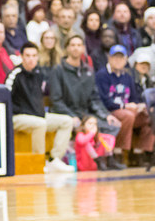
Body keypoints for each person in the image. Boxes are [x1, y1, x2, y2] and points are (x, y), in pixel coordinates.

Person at [48, 36, 123, 169]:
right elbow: (56, 100)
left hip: (86, 115)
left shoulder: (88, 70)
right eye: (72, 45)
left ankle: (108, 158)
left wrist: (105, 115)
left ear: (83, 48)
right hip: (67, 114)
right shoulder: (58, 70)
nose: (76, 48)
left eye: (79, 45)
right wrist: (72, 116)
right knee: (85, 128)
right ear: (67, 48)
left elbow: (94, 98)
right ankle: (96, 160)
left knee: (111, 125)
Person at [6, 42, 75, 173]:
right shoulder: (15, 74)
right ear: (21, 57)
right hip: (17, 117)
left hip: (37, 115)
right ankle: (39, 162)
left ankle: (55, 159)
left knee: (67, 121)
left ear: (37, 57)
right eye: (27, 55)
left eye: (34, 56)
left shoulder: (39, 74)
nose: (31, 59)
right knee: (40, 124)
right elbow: (6, 97)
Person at [95, 45, 154, 167]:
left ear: (126, 60)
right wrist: (124, 106)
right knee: (128, 116)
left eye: (121, 58)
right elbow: (104, 100)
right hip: (110, 111)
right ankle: (118, 153)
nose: (118, 60)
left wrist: (140, 106)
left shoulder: (127, 76)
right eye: (115, 57)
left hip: (127, 110)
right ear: (109, 58)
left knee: (149, 116)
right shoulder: (102, 75)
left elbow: (134, 98)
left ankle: (139, 153)